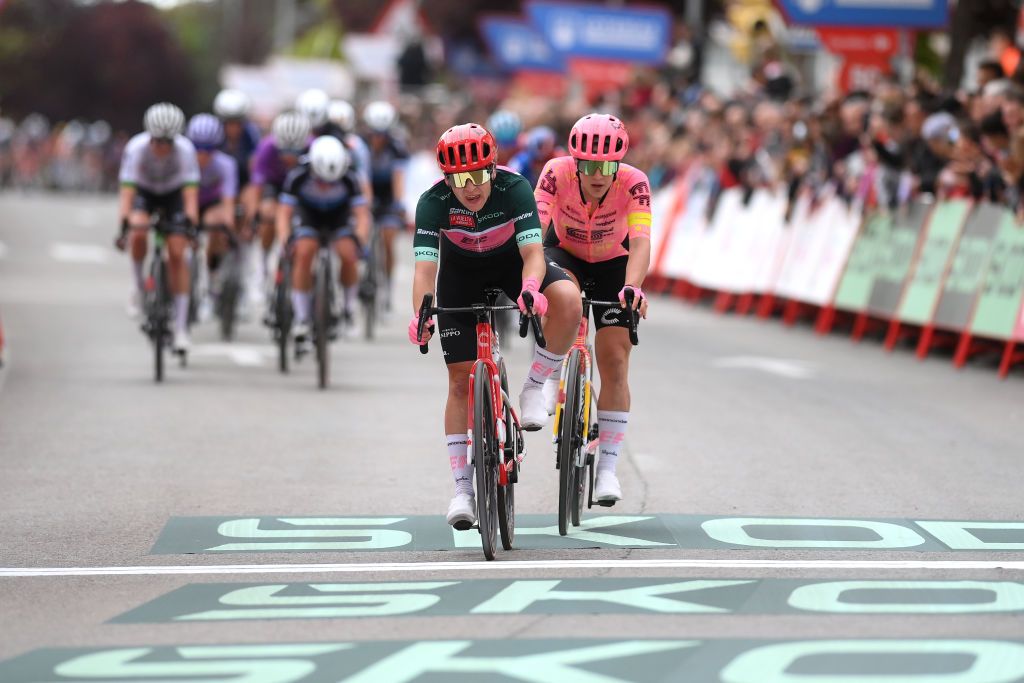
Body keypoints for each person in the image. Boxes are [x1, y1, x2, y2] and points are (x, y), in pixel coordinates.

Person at [409, 123, 582, 529]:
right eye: (459, 179)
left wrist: (529, 288)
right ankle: (463, 491)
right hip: (459, 276)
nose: (471, 187)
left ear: (493, 168)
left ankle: (535, 385)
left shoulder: (514, 188)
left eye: (479, 175)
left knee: (569, 301)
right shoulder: (432, 202)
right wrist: (419, 314)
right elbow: (424, 270)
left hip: (511, 265)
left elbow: (534, 254)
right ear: (446, 178)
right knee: (458, 381)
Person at [533, 113, 653, 504]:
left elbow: (640, 243)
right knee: (561, 303)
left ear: (617, 164)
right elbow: (534, 229)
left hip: (613, 263)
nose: (597, 174)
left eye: (605, 166)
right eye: (588, 165)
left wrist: (633, 286)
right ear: (575, 163)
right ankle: (550, 376)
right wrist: (531, 282)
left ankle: (607, 469)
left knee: (615, 360)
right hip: (564, 252)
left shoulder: (634, 183)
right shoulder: (556, 172)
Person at [116, 103, 200, 353]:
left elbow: (191, 196)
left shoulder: (185, 150)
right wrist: (124, 226)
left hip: (173, 194)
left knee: (177, 253)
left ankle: (181, 327)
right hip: (145, 192)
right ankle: (138, 286)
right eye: (158, 141)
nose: (163, 148)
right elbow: (127, 194)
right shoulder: (136, 148)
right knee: (139, 230)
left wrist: (190, 225)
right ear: (149, 136)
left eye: (168, 142)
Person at [276, 136, 370, 352]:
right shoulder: (298, 175)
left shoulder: (350, 177)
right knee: (304, 251)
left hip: (338, 215)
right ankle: (301, 318)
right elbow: (284, 213)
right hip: (309, 215)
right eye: (321, 181)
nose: (326, 186)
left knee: (348, 253)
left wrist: (360, 241)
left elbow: (362, 216)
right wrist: (284, 239)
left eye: (332, 181)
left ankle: (348, 309)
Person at [247, 112, 312, 291]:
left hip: (302, 187)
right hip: (275, 185)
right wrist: (254, 214)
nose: (289, 157)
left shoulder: (314, 147)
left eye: (295, 152)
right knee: (268, 214)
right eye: (285, 151)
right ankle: (263, 263)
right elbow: (256, 185)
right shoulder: (266, 148)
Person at [186, 113, 238, 316]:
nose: (202, 155)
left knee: (215, 224)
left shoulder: (226, 165)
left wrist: (229, 227)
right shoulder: (183, 160)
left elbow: (228, 201)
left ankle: (212, 274)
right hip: (186, 202)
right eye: (197, 149)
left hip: (210, 205)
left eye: (208, 150)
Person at [364, 100, 409, 311]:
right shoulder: (360, 144)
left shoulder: (397, 147)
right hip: (365, 191)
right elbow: (358, 176)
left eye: (383, 134)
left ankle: (388, 287)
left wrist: (399, 203)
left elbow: (398, 178)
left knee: (388, 238)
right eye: (375, 133)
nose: (378, 139)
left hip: (388, 194)